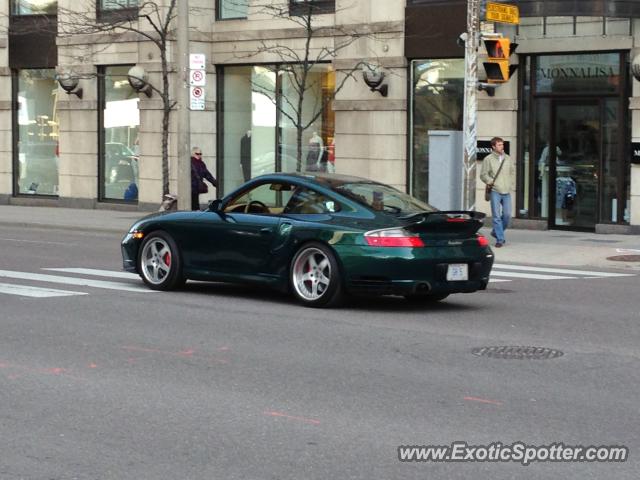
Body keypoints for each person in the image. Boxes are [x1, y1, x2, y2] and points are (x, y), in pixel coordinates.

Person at [480, 137, 514, 248]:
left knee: (507, 215)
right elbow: (483, 174)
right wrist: (490, 182)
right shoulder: (488, 159)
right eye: (499, 145)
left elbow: (512, 172)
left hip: (506, 191)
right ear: (493, 147)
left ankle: (495, 232)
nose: (501, 147)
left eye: (502, 144)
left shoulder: (508, 158)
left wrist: (510, 184)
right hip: (495, 191)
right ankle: (500, 239)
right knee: (496, 216)